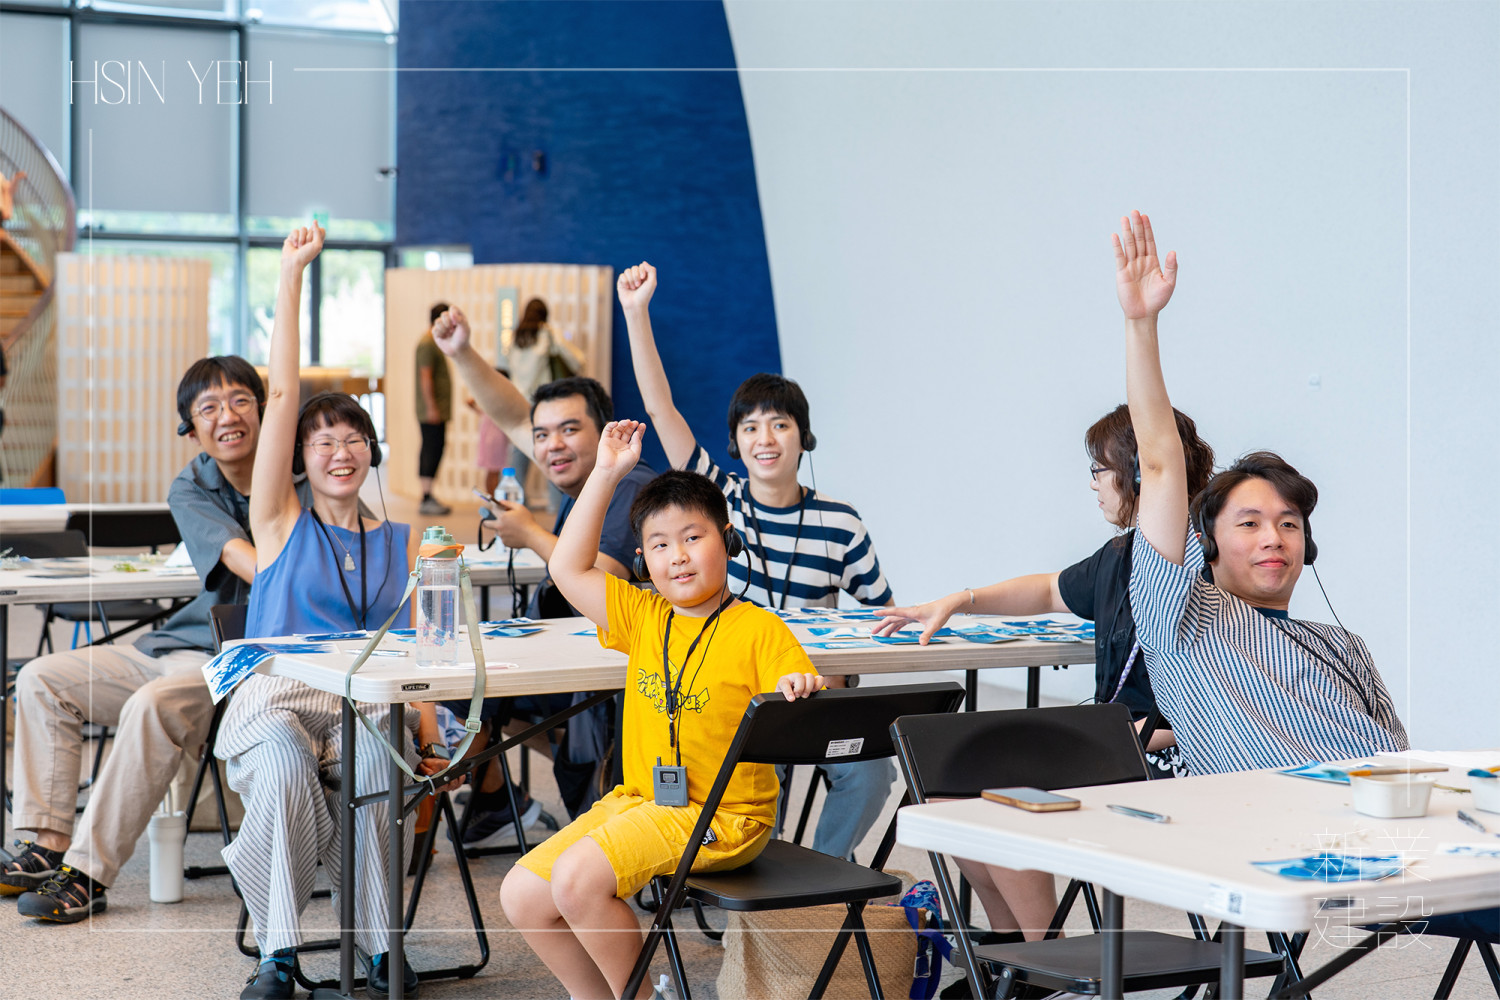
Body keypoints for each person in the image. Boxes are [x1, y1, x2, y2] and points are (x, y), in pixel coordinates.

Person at [499, 420, 826, 1000]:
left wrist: (795, 684)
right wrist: (605, 474)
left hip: (724, 817)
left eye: (693, 537)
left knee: (577, 881)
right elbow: (567, 568)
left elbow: (793, 686)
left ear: (729, 540)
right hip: (644, 802)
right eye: (659, 545)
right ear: (644, 560)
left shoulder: (760, 629)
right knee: (522, 894)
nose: (677, 556)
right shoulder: (643, 616)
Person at [871, 404, 1214, 953]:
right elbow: (1050, 589)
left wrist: (1145, 735)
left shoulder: (1199, 565)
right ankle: (1009, 953)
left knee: (1000, 790)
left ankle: (1042, 954)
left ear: (1139, 471)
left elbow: (1226, 703)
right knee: (944, 793)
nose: (1094, 484)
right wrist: (958, 600)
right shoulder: (1122, 554)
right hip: (1110, 743)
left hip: (1161, 757)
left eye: (1100, 470)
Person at [215, 224, 444, 1000]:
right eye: (321, 444)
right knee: (284, 765)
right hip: (275, 695)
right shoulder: (278, 520)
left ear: (371, 451)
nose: (339, 452)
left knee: (379, 766)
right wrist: (291, 276)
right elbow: (282, 395)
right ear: (299, 460)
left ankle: (378, 949)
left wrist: (429, 732)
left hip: (365, 705)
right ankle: (278, 956)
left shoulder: (402, 542)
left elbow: (416, 650)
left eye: (353, 439)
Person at [618, 261, 894, 862]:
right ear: (735, 443)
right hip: (728, 695)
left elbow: (883, 617)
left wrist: (838, 678)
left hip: (806, 695)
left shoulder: (841, 522)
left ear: (803, 437)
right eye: (750, 427)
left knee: (872, 772)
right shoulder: (719, 501)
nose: (764, 438)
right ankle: (741, 861)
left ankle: (822, 870)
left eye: (779, 424)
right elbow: (662, 409)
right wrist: (637, 314)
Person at [1116, 208, 1407, 774]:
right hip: (1274, 821)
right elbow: (1161, 463)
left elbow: (1402, 759)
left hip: (1385, 809)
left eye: (1288, 524)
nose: (1274, 537)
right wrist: (1140, 324)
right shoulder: (1183, 621)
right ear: (1205, 545)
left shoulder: (1344, 647)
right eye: (1249, 523)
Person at [1, 356, 280, 923]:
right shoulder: (193, 484)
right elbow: (245, 561)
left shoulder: (301, 476)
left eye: (240, 401)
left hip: (245, 659)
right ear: (191, 428)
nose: (227, 416)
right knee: (41, 679)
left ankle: (87, 874)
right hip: (182, 644)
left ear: (263, 409)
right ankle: (48, 845)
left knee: (154, 703)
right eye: (209, 408)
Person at [430, 305, 654, 837]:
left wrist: (530, 533)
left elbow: (605, 580)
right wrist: (461, 352)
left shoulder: (627, 484)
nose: (552, 445)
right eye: (543, 434)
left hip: (619, 678)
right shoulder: (585, 481)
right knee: (468, 682)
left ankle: (453, 806)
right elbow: (514, 416)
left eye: (570, 429)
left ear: (605, 434)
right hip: (582, 660)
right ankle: (493, 800)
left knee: (466, 689)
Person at [501, 297, 583, 494]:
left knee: (519, 453)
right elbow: (577, 359)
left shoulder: (514, 337)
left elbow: (506, 366)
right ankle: (556, 504)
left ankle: (516, 500)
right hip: (541, 404)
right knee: (552, 452)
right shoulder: (546, 333)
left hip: (517, 402)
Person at [415, 301, 454, 515]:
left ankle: (429, 495)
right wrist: (431, 407)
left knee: (435, 448)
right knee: (431, 449)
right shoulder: (427, 344)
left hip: (437, 409)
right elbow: (425, 377)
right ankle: (426, 497)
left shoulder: (433, 343)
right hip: (432, 410)